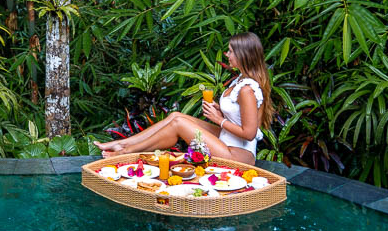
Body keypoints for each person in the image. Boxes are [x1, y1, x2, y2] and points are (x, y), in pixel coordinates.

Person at [93, 32, 275, 163]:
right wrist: (220, 111)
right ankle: (122, 143)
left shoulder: (247, 89)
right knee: (176, 116)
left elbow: (250, 133)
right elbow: (240, 115)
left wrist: (219, 120)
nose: (227, 55)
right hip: (227, 140)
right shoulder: (241, 81)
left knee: (179, 125)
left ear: (243, 55)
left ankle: (126, 152)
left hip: (238, 154)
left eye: (230, 51)